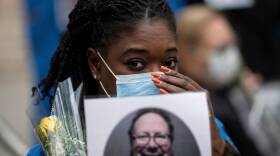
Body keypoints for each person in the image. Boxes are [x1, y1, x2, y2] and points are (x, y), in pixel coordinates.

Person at [28, 0, 238, 155]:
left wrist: (218, 148)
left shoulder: (208, 130)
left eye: (169, 63)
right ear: (96, 64)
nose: (157, 78)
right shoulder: (61, 147)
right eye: (135, 64)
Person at [176, 4, 260, 155]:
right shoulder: (196, 110)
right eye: (221, 49)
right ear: (187, 54)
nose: (231, 56)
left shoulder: (228, 91)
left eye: (232, 44)